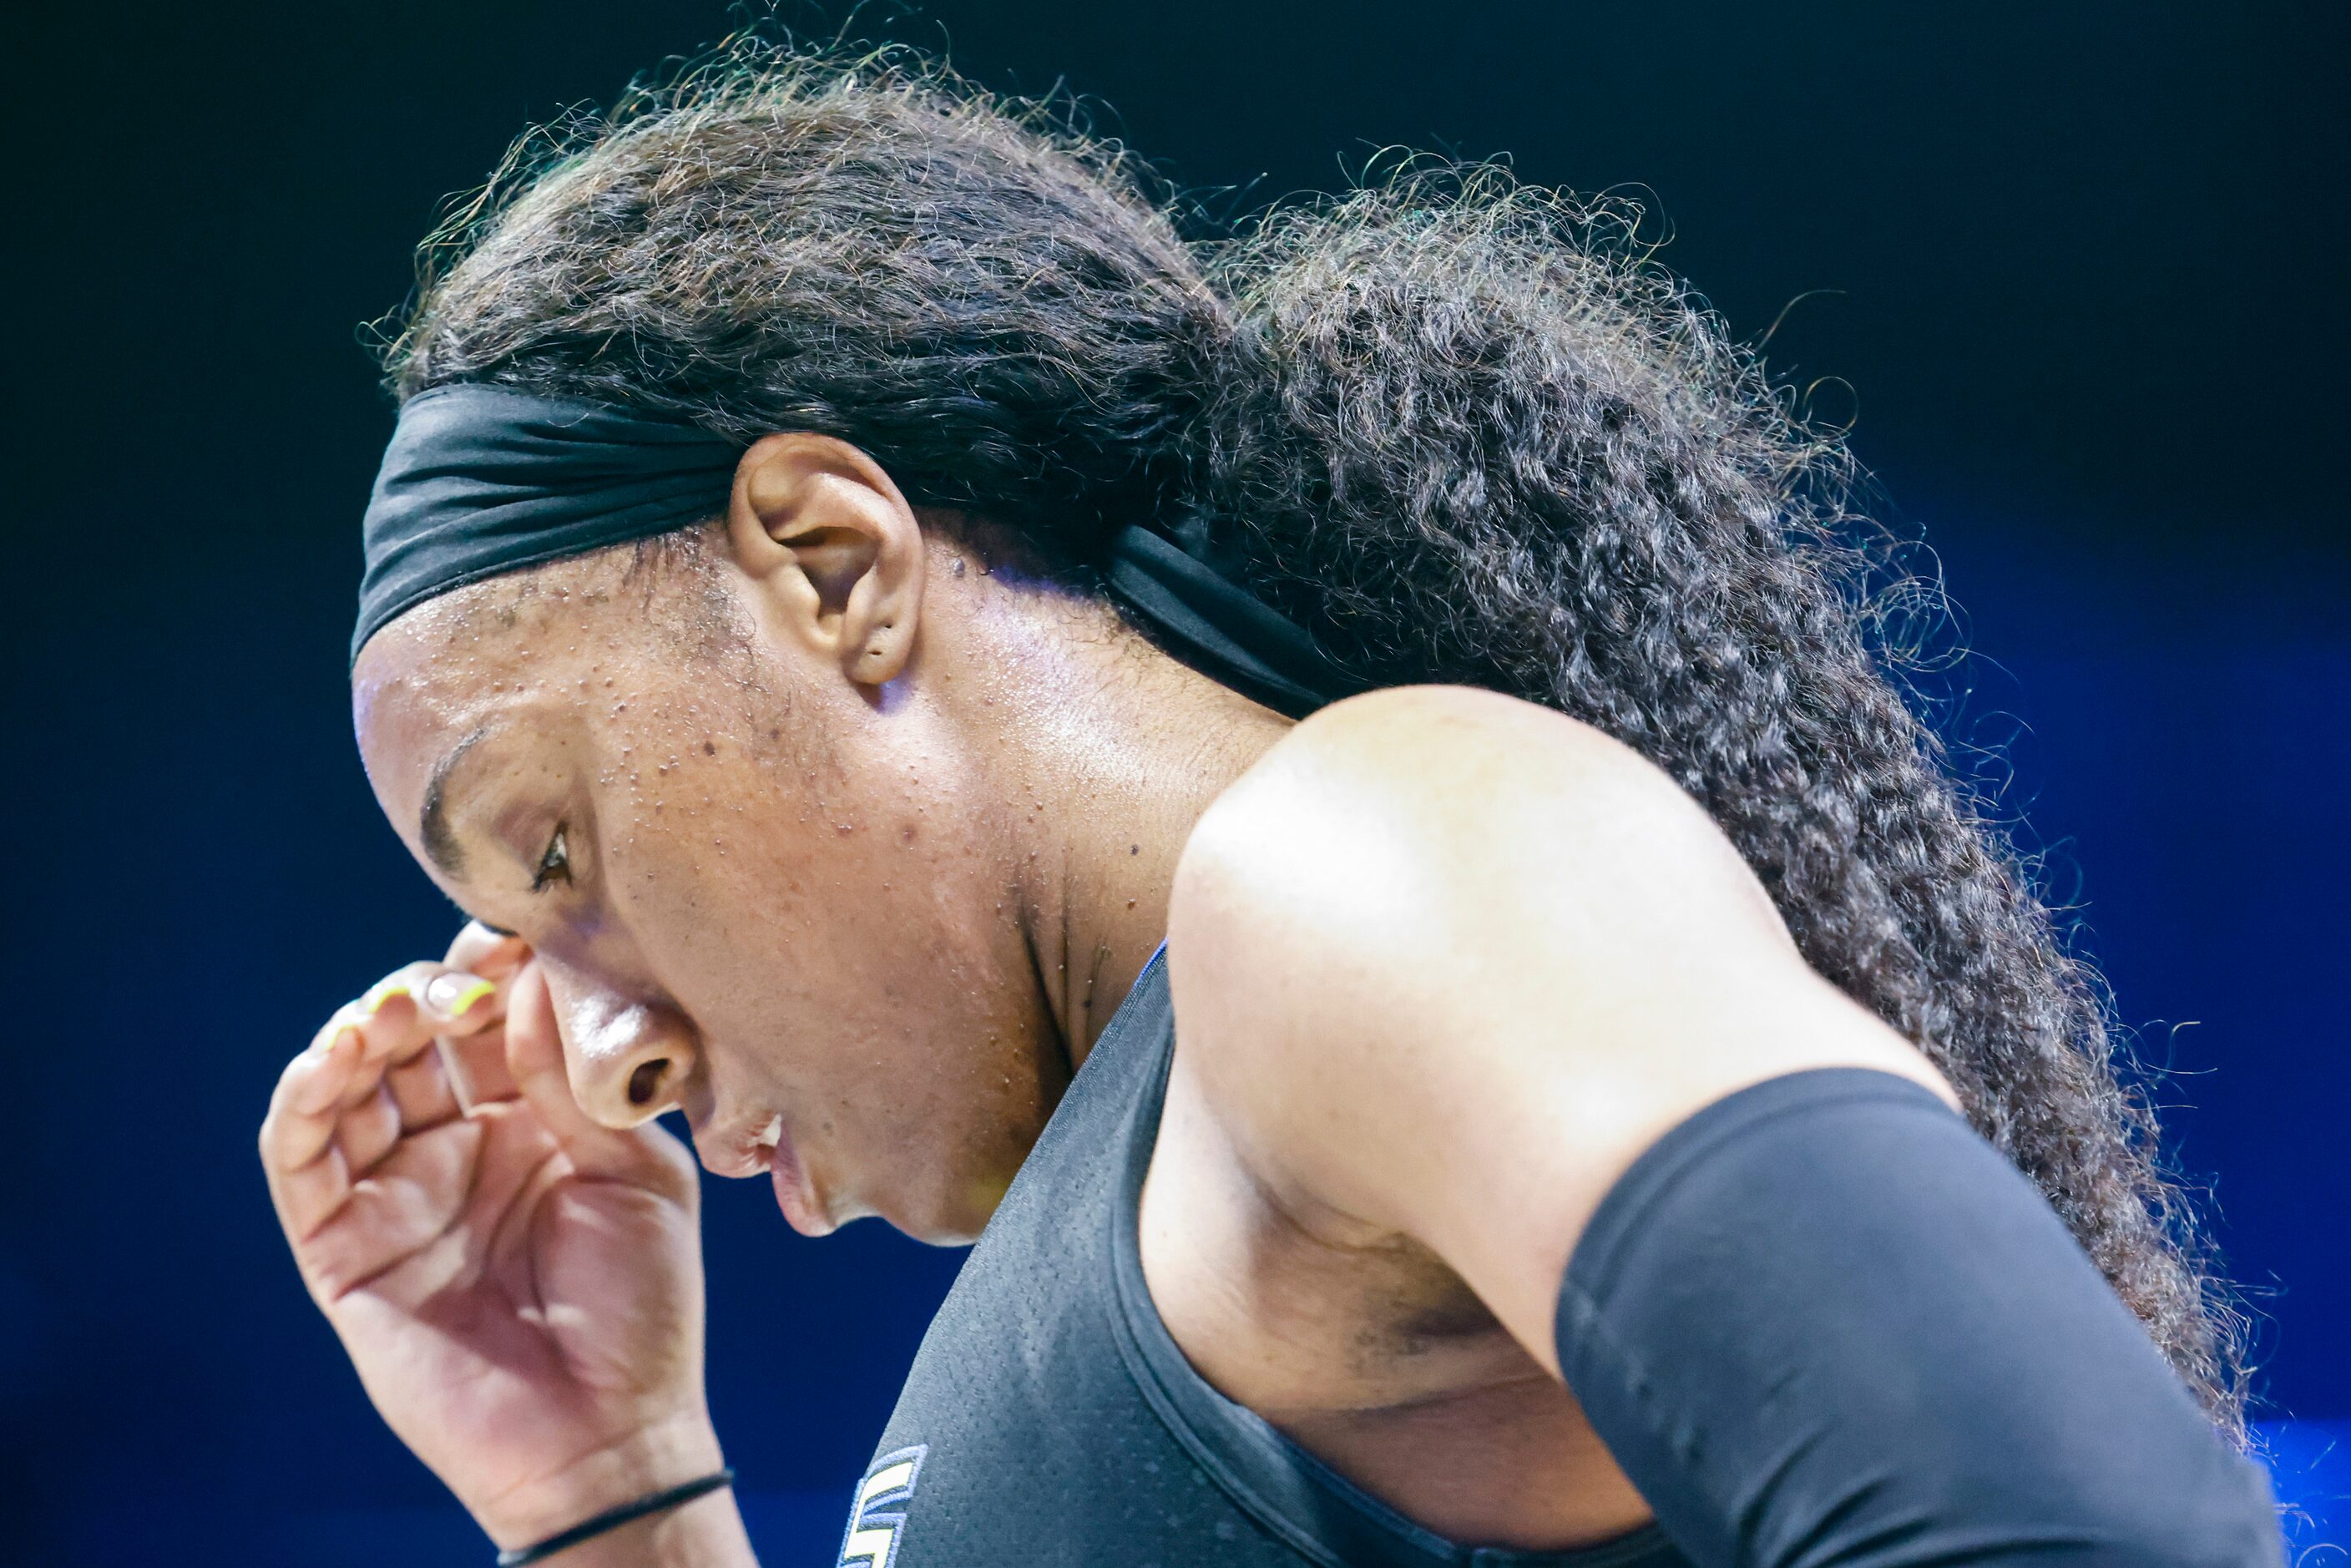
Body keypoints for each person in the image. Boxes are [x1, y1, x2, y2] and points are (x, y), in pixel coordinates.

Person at [259, 43, 2282, 1568]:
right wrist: (611, 1490)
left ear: (826, 563)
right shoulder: (1151, 1193)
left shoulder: (1353, 868)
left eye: (549, 853)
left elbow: (2092, 1529)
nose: (590, 1056)